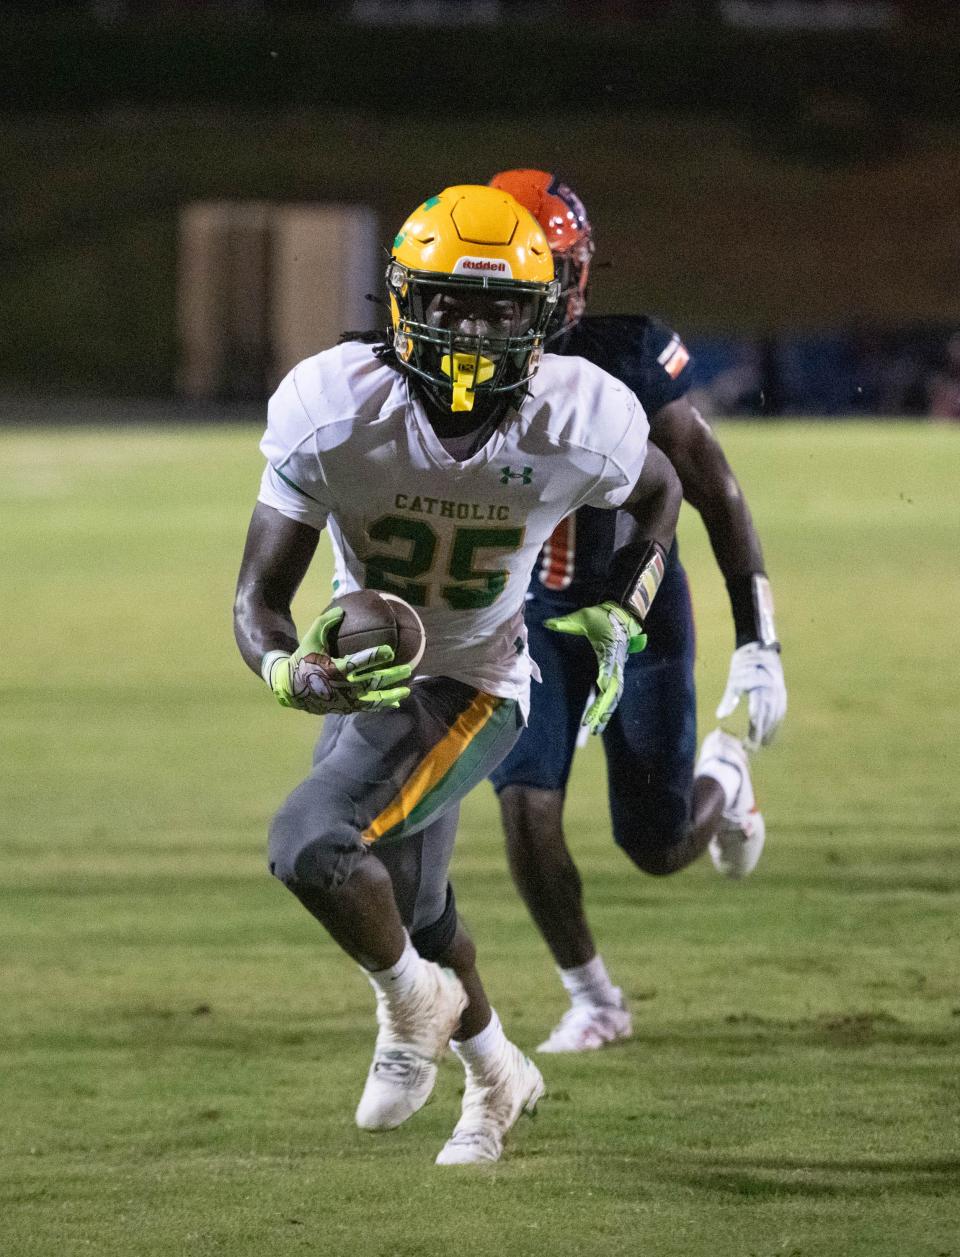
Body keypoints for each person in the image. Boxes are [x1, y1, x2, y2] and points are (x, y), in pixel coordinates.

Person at [233, 184, 683, 1164]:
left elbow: (661, 493)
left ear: (543, 316)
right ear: (401, 301)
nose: (470, 327)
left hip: (480, 687)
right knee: (420, 909)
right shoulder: (335, 406)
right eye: (446, 301)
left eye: (497, 307)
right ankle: (495, 1075)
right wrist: (286, 670)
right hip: (376, 683)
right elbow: (256, 600)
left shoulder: (581, 416)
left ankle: (411, 1008)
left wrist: (627, 602)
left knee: (309, 842)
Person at [486, 169, 787, 1054]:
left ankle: (724, 779)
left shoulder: (625, 357)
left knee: (653, 844)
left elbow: (714, 490)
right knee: (525, 805)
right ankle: (596, 997)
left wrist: (757, 638)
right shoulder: (457, 367)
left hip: (636, 610)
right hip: (532, 618)